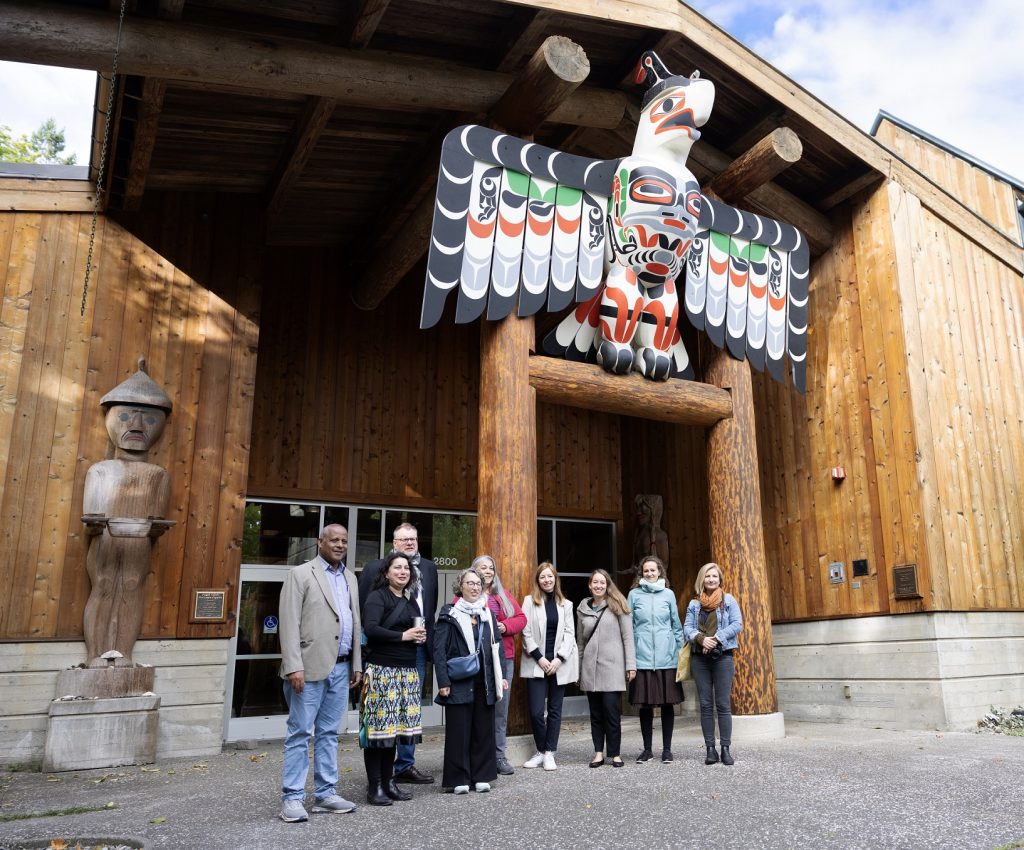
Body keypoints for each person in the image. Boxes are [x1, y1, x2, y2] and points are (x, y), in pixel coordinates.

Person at [81, 361, 175, 667]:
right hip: (106, 540)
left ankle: (124, 655)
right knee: (104, 585)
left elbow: (157, 515)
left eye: (148, 418)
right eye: (124, 416)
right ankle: (96, 655)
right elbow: (91, 514)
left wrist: (154, 528)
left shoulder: (157, 474)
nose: (135, 425)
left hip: (137, 543)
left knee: (133, 586)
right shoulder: (100, 470)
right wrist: (96, 525)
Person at [278, 524, 362, 822]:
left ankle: (326, 794)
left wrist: (356, 664)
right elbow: (288, 622)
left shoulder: (351, 578)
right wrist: (293, 665)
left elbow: (354, 623)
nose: (339, 545)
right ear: (320, 543)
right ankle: (292, 798)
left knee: (329, 734)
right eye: (334, 540)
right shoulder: (301, 574)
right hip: (308, 668)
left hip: (341, 668)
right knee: (300, 733)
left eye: (344, 541)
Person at [359, 522, 438, 785]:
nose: (410, 543)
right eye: (404, 539)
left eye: (414, 539)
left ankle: (404, 765)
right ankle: (380, 779)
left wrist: (424, 635)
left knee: (407, 710)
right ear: (394, 544)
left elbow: (429, 610)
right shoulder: (374, 570)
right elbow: (366, 613)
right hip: (384, 654)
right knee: (384, 714)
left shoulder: (429, 568)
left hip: (415, 650)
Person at [360, 552, 426, 805]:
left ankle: (389, 783)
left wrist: (420, 637)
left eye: (406, 568)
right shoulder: (378, 597)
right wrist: (403, 637)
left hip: (407, 672)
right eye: (397, 567)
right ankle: (374, 787)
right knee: (378, 733)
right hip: (382, 670)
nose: (402, 572)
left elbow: (415, 632)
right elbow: (371, 629)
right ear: (386, 572)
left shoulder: (411, 602)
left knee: (394, 732)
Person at [434, 567, 506, 794]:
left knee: (483, 730)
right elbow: (439, 651)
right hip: (458, 682)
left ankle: (482, 775)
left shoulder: (487, 614)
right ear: (460, 587)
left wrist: (500, 676)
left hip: (484, 680)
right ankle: (459, 778)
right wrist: (443, 681)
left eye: (478, 583)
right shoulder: (449, 614)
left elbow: (498, 648)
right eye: (470, 583)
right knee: (459, 731)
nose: (475, 587)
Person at [470, 554, 527, 776]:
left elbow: (521, 618)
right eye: (483, 567)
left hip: (504, 660)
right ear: (474, 571)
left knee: (500, 711)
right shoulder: (467, 595)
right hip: (477, 659)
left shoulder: (502, 595)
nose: (488, 571)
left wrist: (504, 626)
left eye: (491, 568)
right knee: (477, 708)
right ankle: (478, 756)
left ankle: (499, 756)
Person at [683, 562, 743, 766]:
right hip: (700, 659)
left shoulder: (728, 601)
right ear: (702, 579)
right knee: (706, 705)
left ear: (719, 579)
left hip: (723, 657)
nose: (711, 580)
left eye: (714, 576)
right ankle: (710, 749)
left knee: (723, 704)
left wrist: (716, 638)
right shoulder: (694, 604)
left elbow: (737, 624)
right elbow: (687, 628)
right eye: (707, 576)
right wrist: (701, 639)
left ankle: (725, 748)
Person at [520, 562, 578, 771]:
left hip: (558, 664)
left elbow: (570, 634)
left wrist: (558, 659)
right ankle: (541, 750)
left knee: (555, 710)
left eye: (550, 576)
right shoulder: (529, 601)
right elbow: (525, 632)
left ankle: (549, 753)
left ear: (556, 579)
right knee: (536, 712)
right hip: (537, 662)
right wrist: (540, 657)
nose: (547, 580)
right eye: (543, 577)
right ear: (538, 580)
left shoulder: (566, 604)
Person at [627, 555, 684, 764]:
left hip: (666, 658)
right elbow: (628, 628)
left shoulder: (669, 594)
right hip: (642, 659)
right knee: (645, 706)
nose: (650, 573)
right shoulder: (633, 595)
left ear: (660, 572)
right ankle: (647, 750)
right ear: (641, 573)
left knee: (668, 706)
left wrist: (680, 656)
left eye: (654, 570)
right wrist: (630, 659)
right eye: (646, 570)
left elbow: (676, 627)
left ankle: (667, 750)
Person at [577, 569, 636, 768]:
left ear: (608, 584)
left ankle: (615, 753)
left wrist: (631, 665)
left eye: (602, 582)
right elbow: (580, 643)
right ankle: (598, 753)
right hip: (589, 670)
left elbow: (628, 638)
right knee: (595, 714)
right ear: (590, 585)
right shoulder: (582, 609)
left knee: (611, 712)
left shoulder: (618, 605)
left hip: (613, 668)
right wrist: (578, 671)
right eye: (595, 582)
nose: (599, 586)